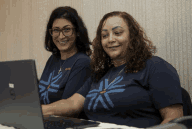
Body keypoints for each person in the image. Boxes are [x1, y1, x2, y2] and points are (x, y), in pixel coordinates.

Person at [41, 11, 183, 128]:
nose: (110, 39)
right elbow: (72, 104)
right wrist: (36, 111)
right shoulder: (99, 74)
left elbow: (174, 121)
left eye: (117, 33)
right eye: (104, 35)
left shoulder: (155, 67)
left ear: (132, 37)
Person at [39, 6, 92, 107]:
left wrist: (36, 112)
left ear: (77, 32)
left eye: (67, 30)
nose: (61, 36)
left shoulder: (82, 62)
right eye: (56, 30)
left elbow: (68, 107)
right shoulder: (53, 59)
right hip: (42, 118)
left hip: (63, 121)